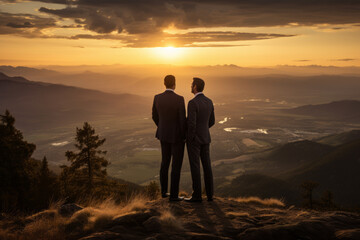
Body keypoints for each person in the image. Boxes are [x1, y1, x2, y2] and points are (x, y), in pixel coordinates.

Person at [152, 75, 186, 201]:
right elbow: (182, 120)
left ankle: (163, 192)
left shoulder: (157, 98)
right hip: (177, 137)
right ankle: (174, 195)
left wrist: (162, 127)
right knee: (176, 166)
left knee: (164, 164)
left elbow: (154, 116)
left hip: (163, 135)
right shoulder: (179, 99)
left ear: (164, 83)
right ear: (174, 84)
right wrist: (183, 136)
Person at [185, 77, 215, 202]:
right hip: (206, 138)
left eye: (191, 85)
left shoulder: (192, 103)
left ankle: (197, 195)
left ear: (195, 87)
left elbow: (191, 124)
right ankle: (210, 195)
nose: (190, 86)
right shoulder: (209, 101)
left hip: (194, 140)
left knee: (195, 166)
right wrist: (203, 130)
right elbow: (212, 121)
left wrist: (190, 138)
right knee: (207, 166)